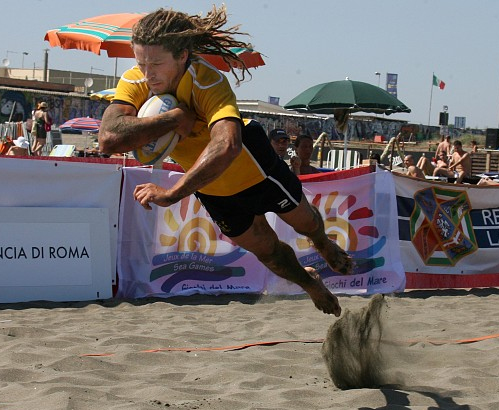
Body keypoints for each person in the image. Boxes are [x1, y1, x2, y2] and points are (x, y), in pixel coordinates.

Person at [98, 6, 352, 317]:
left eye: (156, 64)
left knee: (306, 222)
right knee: (267, 252)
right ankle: (309, 283)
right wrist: (174, 118)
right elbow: (108, 139)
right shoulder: (135, 80)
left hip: (253, 167)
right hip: (211, 185)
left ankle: (322, 243)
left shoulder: (206, 80)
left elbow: (227, 145)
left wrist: (171, 193)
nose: (147, 74)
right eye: (141, 63)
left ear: (183, 56)